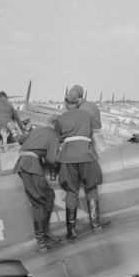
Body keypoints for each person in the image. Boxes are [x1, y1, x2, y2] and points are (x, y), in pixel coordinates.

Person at [55, 86, 103, 239]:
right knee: (91, 188)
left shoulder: (61, 119)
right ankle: (96, 225)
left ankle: (71, 230)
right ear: (78, 102)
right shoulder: (86, 115)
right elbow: (90, 134)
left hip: (68, 158)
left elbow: (58, 137)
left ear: (66, 104)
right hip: (86, 155)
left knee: (71, 192)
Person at [14, 117, 62, 251]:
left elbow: (21, 140)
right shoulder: (53, 135)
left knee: (49, 195)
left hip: (25, 163)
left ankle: (45, 233)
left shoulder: (38, 130)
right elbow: (52, 159)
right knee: (38, 203)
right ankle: (41, 242)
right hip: (31, 166)